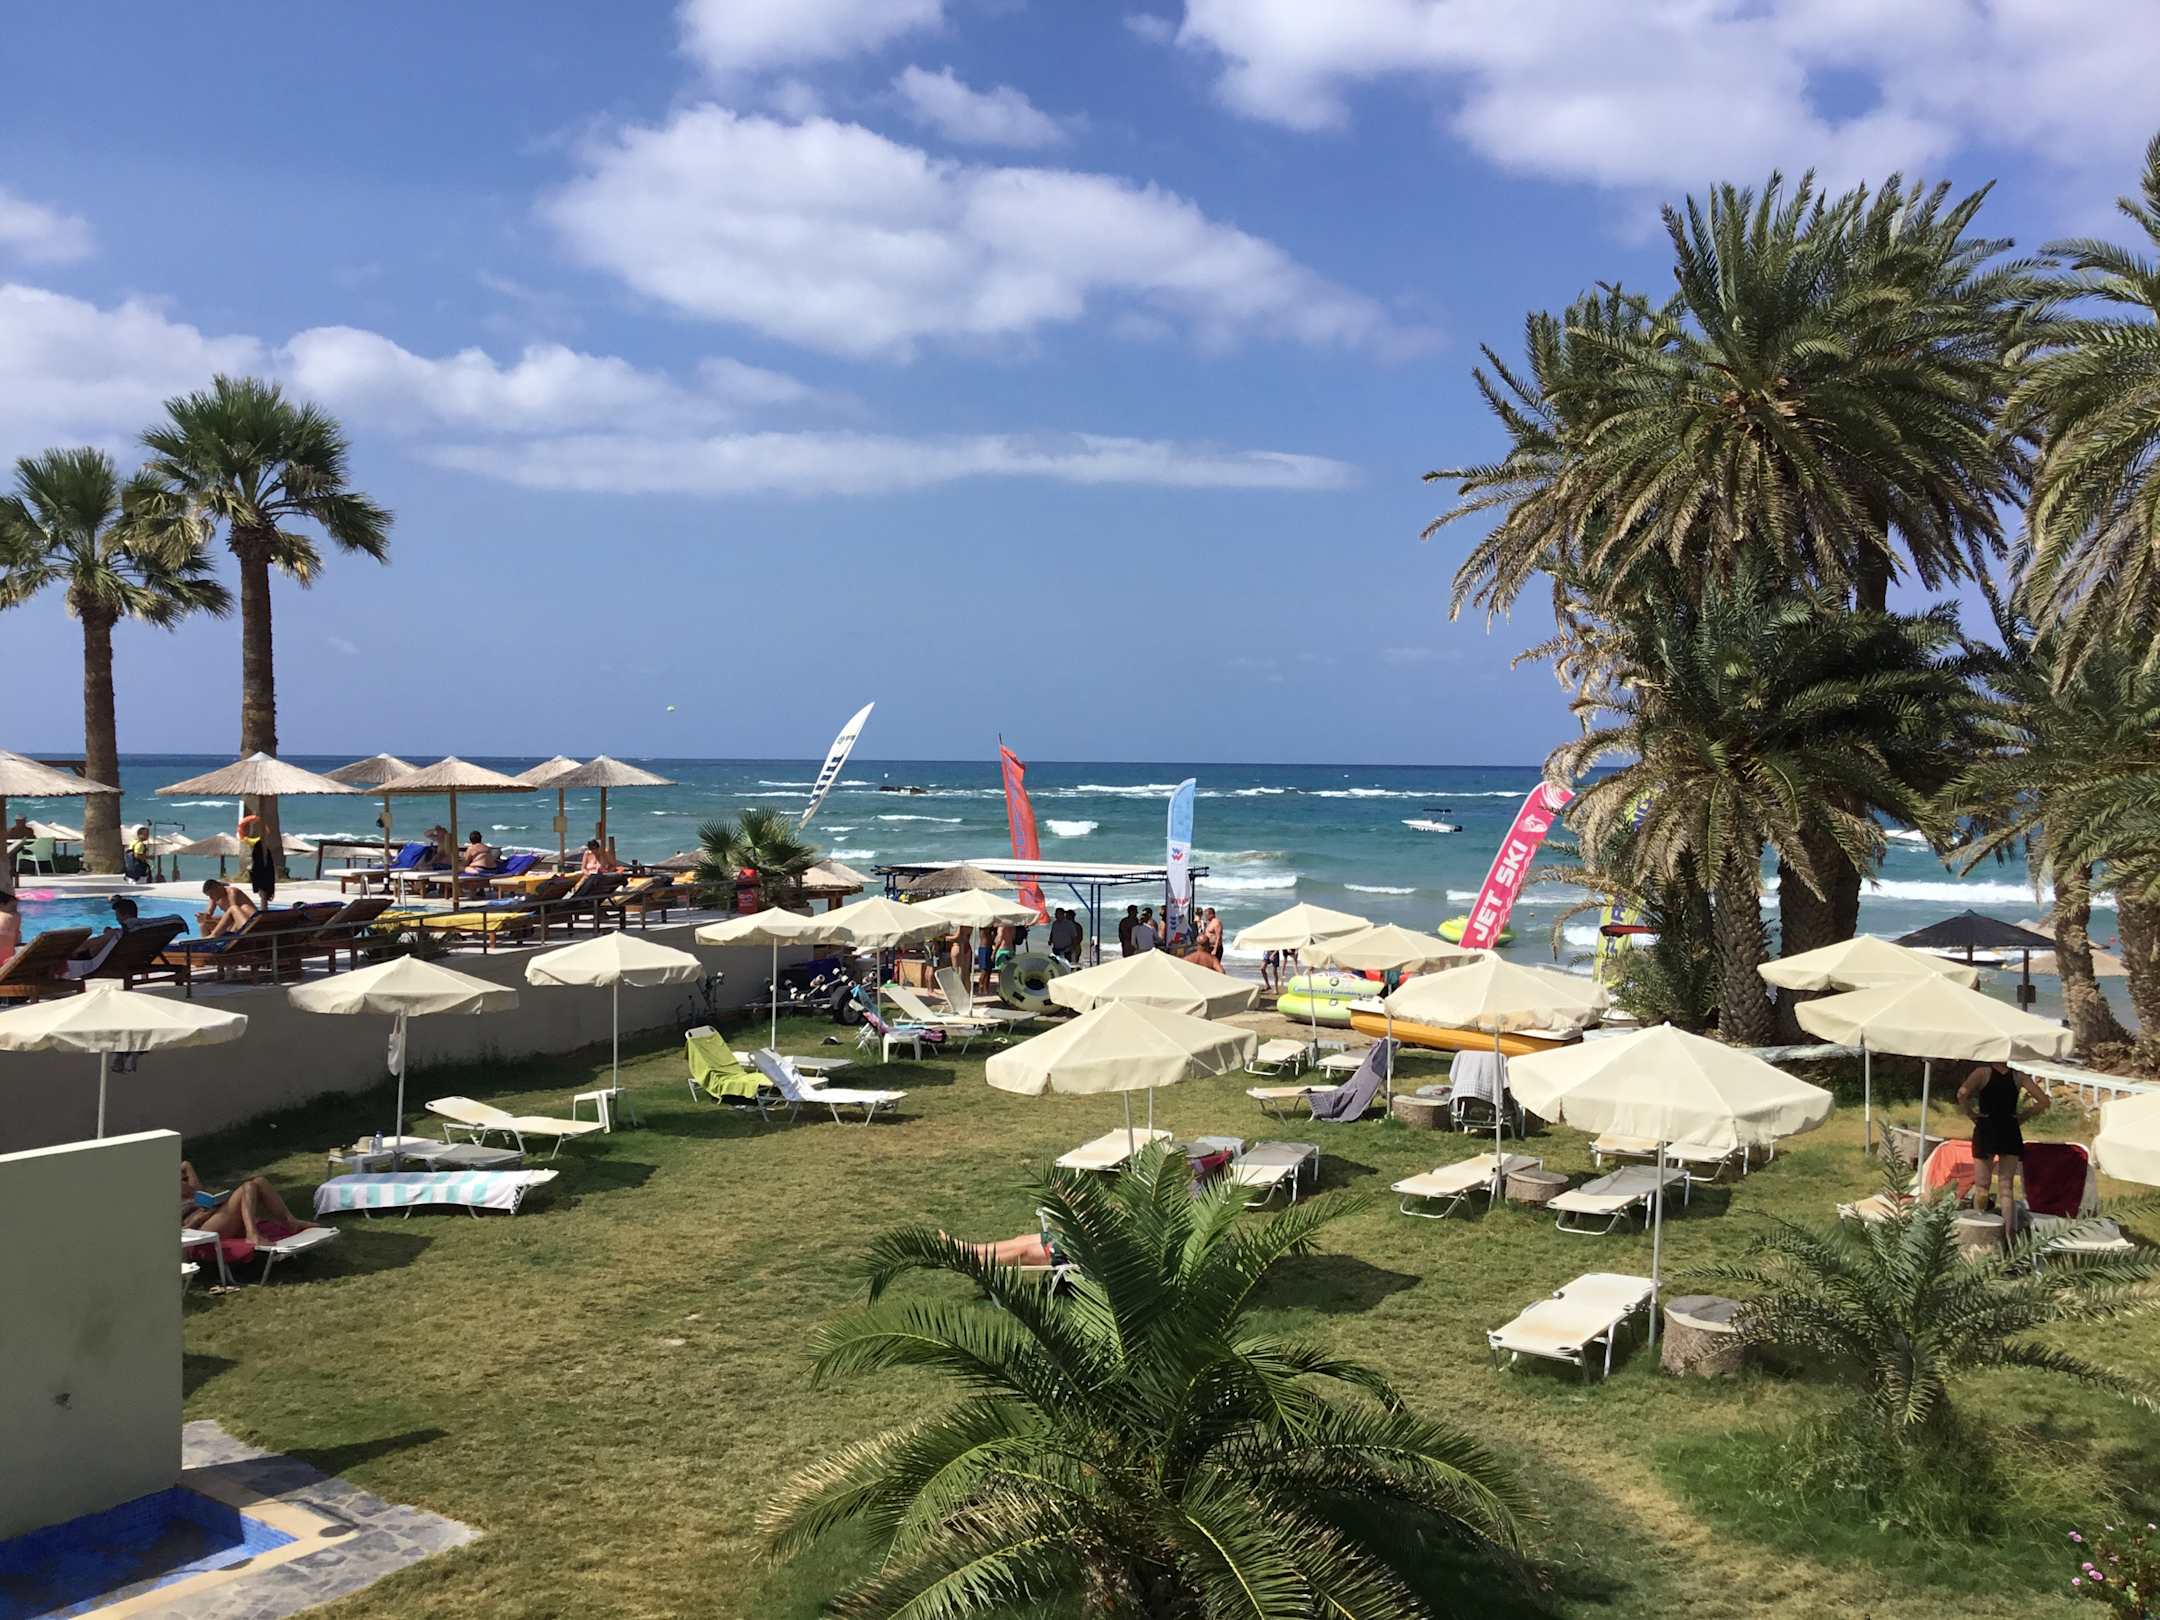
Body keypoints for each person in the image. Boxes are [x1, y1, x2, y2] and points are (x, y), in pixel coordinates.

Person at [1958, 1060, 2051, 1223]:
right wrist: (2023, 1116)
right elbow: (2044, 1101)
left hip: (1987, 1126)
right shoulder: (2019, 1077)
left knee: (1982, 1186)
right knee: (2006, 1187)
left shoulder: (1982, 1073)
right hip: (2010, 1128)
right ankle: (2009, 1231)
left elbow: (1961, 1094)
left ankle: (1980, 1226)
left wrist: (1970, 1113)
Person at [180, 1158, 323, 1248]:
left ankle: (290, 1221)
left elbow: (188, 1170)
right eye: (183, 1180)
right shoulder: (170, 1202)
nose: (187, 1181)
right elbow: (178, 1232)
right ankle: (252, 1234)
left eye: (185, 1178)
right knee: (247, 1187)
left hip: (213, 1216)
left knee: (260, 1181)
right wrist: (197, 1219)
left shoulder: (191, 1192)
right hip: (200, 1229)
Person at [0, 887, 19, 961]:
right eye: (13, 907)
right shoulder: (16, 916)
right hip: (8, 960)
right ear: (1, 905)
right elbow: (16, 941)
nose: (15, 910)